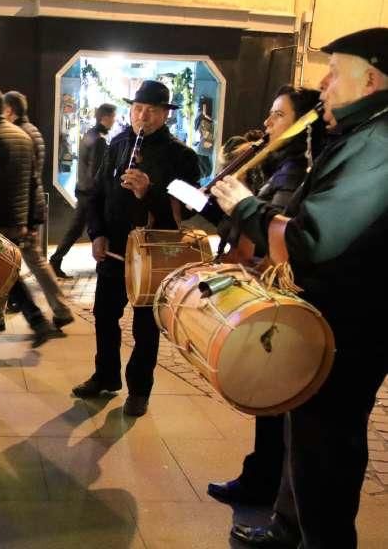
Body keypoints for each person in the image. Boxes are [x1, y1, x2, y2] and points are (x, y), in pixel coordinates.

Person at [212, 27, 388, 549]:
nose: (326, 85)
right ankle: (287, 531)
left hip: (348, 328)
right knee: (303, 440)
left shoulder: (378, 144)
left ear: (372, 79)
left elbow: (313, 238)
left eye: (336, 73)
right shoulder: (360, 135)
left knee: (326, 454)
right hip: (328, 317)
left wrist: (245, 207)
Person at [201, 85, 324, 510]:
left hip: (283, 299)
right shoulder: (280, 167)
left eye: (277, 115)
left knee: (277, 403)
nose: (267, 124)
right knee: (273, 409)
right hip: (275, 296)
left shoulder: (294, 172)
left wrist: (242, 207)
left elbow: (271, 242)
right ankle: (263, 481)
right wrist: (222, 207)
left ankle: (265, 487)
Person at [73, 80, 200, 417]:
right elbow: (97, 193)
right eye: (138, 109)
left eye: (152, 111)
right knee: (104, 316)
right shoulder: (117, 144)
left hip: (154, 252)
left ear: (164, 115)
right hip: (114, 247)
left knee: (146, 325)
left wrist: (150, 191)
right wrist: (96, 233)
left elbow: (190, 208)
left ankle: (139, 390)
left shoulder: (182, 156)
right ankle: (105, 376)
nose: (143, 116)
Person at [0, 86, 63, 355]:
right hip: (16, 220)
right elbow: (34, 181)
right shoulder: (22, 136)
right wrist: (31, 220)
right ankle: (32, 323)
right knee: (3, 275)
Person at [0, 90, 75, 331]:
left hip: (24, 210)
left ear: (9, 110)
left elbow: (26, 180)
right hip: (29, 208)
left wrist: (28, 219)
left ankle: (60, 309)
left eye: (2, 111)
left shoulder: (21, 134)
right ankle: (57, 309)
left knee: (21, 260)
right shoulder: (31, 131)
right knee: (25, 260)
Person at [50, 103, 117, 278]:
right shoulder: (100, 139)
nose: (114, 120)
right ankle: (57, 260)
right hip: (91, 192)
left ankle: (56, 260)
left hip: (84, 190)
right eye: (113, 116)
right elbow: (96, 170)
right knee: (87, 229)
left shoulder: (89, 134)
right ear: (105, 118)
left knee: (77, 228)